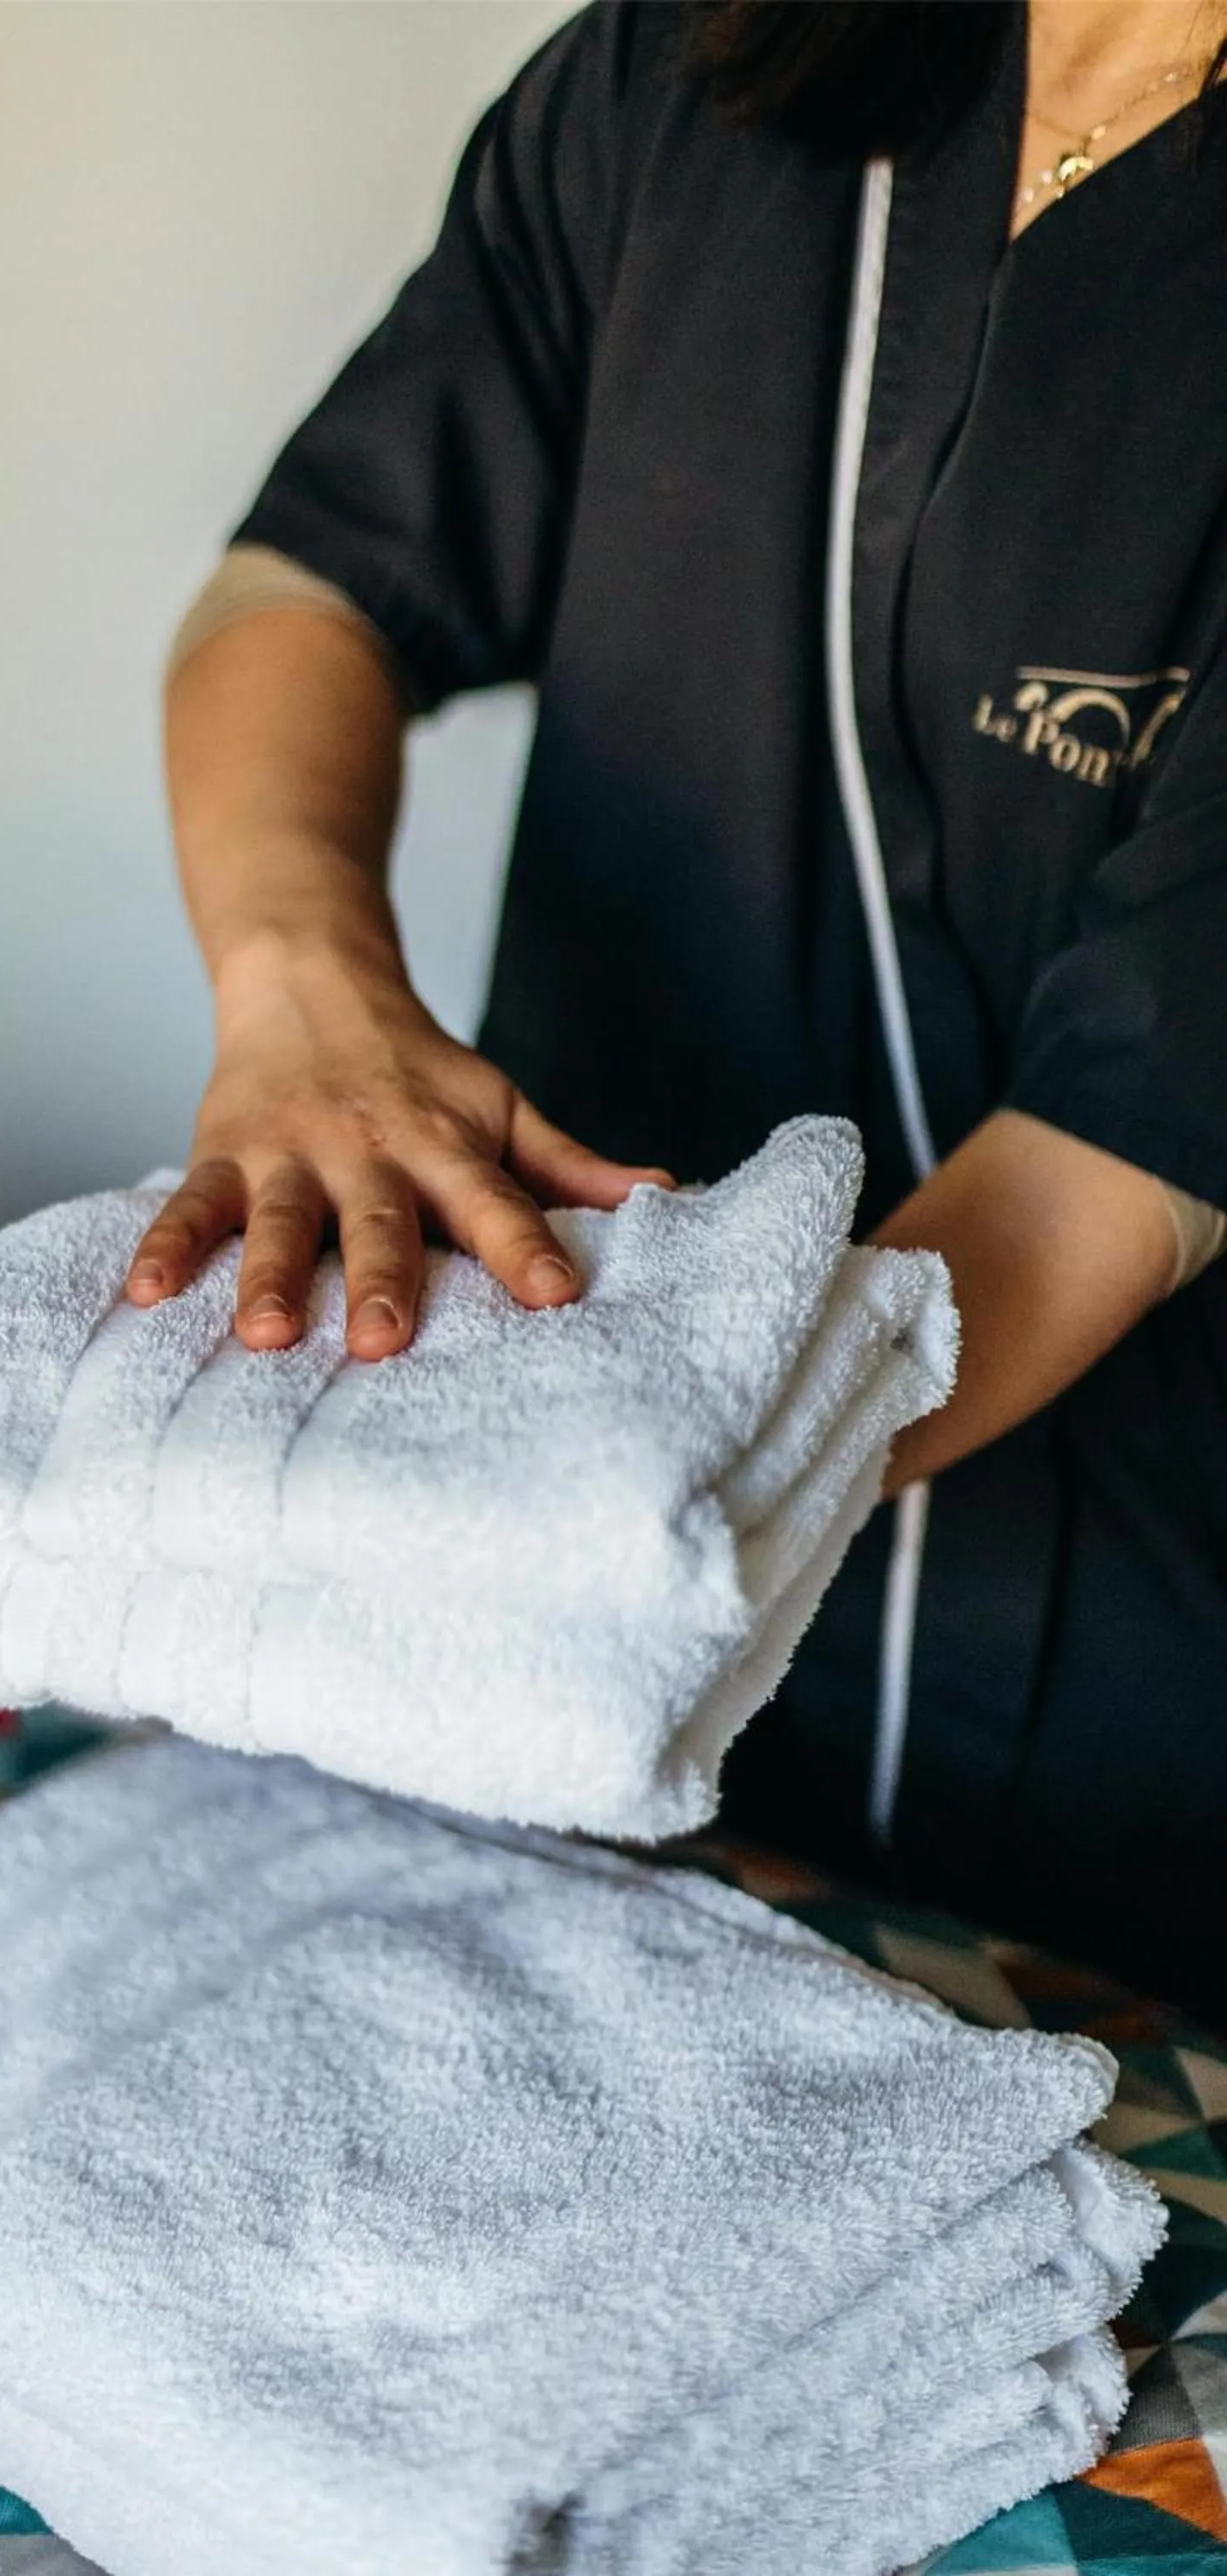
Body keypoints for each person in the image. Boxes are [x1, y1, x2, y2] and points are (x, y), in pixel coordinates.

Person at [131, 0, 1227, 2014]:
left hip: (1134, 1721)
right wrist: (304, 993)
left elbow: (1126, 1148)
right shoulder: (696, 72)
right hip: (556, 1613)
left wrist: (568, 1487)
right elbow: (302, 592)